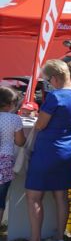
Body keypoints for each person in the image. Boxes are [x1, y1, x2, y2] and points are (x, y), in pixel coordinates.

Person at [15, 60, 71, 241]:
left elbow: (40, 125)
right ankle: (59, 237)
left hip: (48, 150)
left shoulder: (55, 97)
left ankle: (35, 240)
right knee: (61, 195)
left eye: (48, 80)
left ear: (54, 78)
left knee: (33, 196)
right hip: (68, 149)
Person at [0, 87, 26, 223]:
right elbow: (20, 142)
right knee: (0, 198)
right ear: (10, 104)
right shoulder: (14, 119)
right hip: (4, 161)